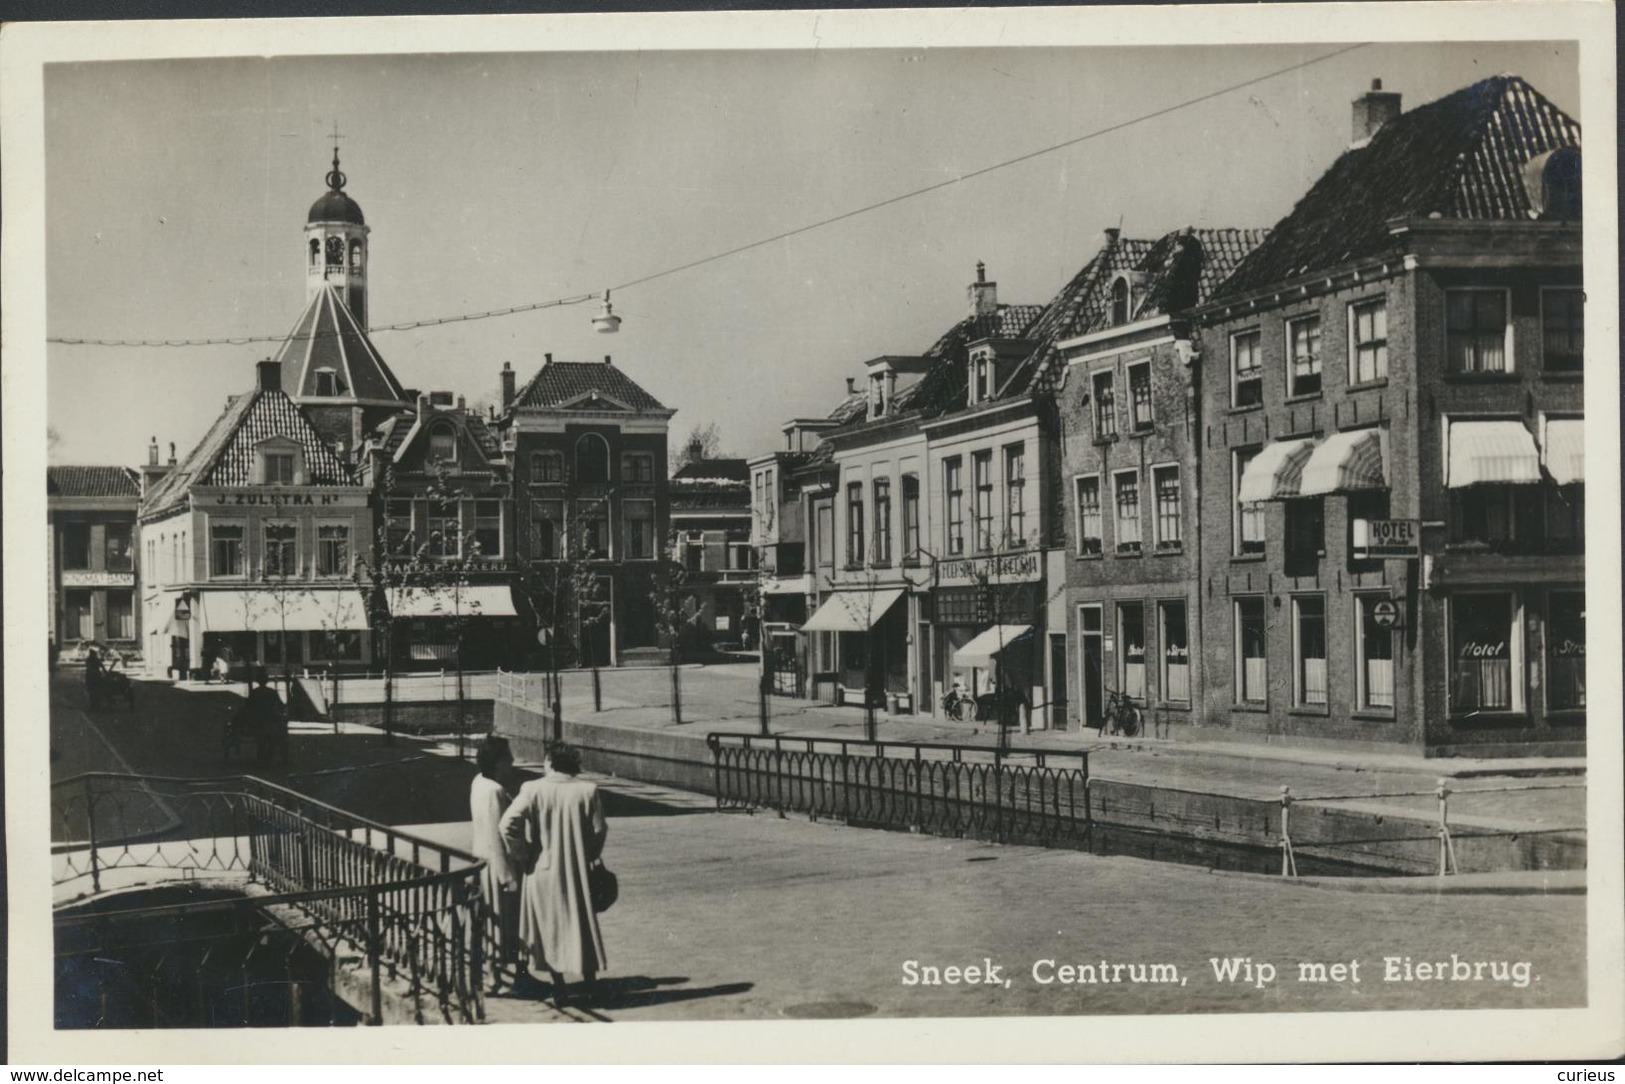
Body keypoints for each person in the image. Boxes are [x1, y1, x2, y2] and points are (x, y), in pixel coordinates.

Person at [499, 741, 608, 1006]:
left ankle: (560, 989)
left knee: (549, 928)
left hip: (542, 870)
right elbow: (599, 829)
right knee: (580, 924)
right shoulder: (588, 790)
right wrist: (588, 855)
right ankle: (590, 984)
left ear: (549, 762)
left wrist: (523, 853)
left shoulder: (533, 789)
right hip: (576, 870)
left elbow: (507, 825)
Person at [470, 736, 522, 983]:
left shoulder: (479, 782)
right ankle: (497, 976)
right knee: (503, 919)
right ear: (498, 762)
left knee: (491, 920)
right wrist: (507, 875)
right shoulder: (495, 791)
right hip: (497, 866)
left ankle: (494, 974)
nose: (512, 761)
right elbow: (496, 834)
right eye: (507, 757)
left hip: (482, 861)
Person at [241, 668, 288, 768]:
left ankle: (262, 758)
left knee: (262, 739)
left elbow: (247, 707)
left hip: (257, 722)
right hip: (270, 721)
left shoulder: (254, 692)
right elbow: (280, 705)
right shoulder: (271, 692)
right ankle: (270, 758)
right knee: (275, 736)